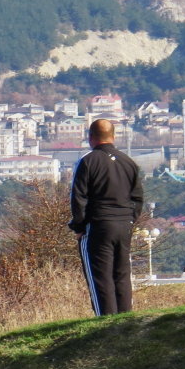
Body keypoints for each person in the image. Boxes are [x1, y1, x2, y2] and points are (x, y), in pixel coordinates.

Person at [69, 118, 144, 316]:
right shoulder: (129, 163)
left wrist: (78, 227)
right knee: (121, 274)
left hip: (98, 224)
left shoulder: (87, 161)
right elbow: (137, 198)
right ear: (113, 136)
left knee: (100, 276)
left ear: (91, 137)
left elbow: (78, 198)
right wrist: (130, 220)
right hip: (124, 224)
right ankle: (125, 319)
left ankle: (105, 321)